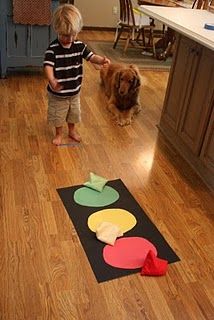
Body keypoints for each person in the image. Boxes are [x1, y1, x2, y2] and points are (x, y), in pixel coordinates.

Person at [44, 4, 110, 146]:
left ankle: (72, 131)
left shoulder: (79, 46)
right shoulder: (53, 49)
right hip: (58, 93)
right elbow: (48, 66)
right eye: (65, 35)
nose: (70, 38)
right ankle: (59, 134)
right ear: (57, 30)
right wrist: (51, 79)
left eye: (74, 34)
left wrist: (102, 60)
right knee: (58, 115)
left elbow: (91, 57)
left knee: (73, 114)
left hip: (74, 91)